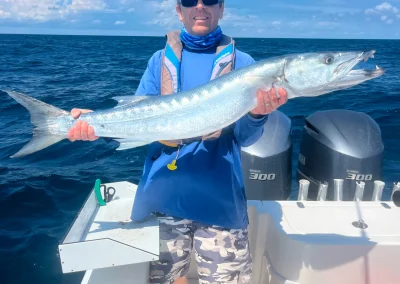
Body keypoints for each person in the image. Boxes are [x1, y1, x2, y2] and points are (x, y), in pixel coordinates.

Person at [68, 0, 288, 283]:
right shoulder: (158, 61)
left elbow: (246, 137)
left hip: (219, 203)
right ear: (178, 10)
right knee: (168, 279)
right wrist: (96, 123)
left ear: (221, 8)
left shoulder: (245, 66)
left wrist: (258, 114)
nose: (199, 6)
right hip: (163, 200)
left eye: (209, 0)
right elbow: (136, 120)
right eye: (189, 1)